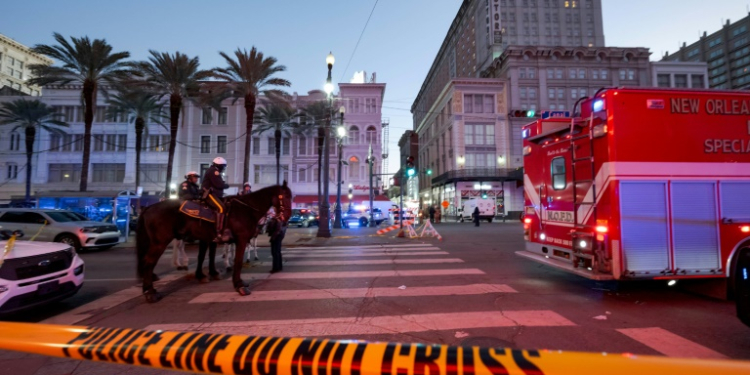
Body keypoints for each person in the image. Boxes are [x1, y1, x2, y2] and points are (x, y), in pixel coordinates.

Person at [173, 171, 200, 270]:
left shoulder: (196, 186)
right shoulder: (185, 185)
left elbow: (198, 194)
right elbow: (185, 195)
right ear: (190, 177)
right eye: (195, 177)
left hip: (193, 205)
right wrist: (195, 198)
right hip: (185, 205)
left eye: (197, 177)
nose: (196, 179)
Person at [202, 157, 231, 243]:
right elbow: (219, 184)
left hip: (215, 194)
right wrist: (226, 185)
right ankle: (218, 231)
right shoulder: (214, 171)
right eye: (223, 166)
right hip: (209, 194)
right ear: (219, 165)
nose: (224, 168)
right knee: (221, 208)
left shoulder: (213, 170)